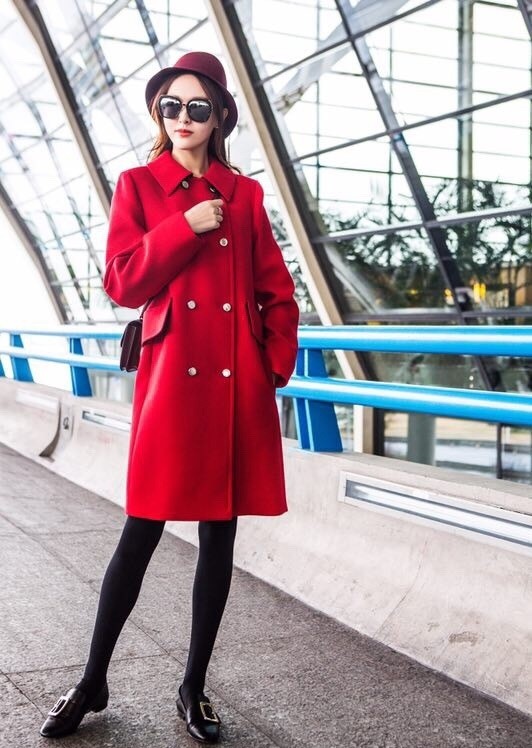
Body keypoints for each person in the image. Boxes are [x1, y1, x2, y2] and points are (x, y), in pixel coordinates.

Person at [39, 51, 299, 744]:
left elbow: (277, 291)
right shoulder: (138, 184)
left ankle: (193, 686)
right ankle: (92, 680)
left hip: (235, 382)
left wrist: (271, 367)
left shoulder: (245, 196)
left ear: (220, 119)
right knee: (140, 531)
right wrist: (186, 226)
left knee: (219, 537)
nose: (182, 118)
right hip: (171, 382)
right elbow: (123, 281)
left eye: (197, 108)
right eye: (170, 106)